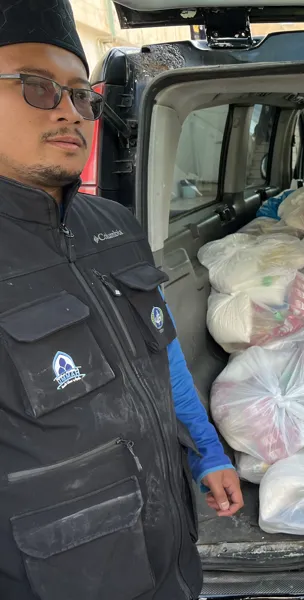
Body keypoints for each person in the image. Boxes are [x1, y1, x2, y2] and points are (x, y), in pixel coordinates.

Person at [0, 2, 242, 599]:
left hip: (165, 550)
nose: (68, 110)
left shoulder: (112, 224)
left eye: (81, 95)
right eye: (36, 86)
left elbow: (162, 355)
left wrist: (207, 452)